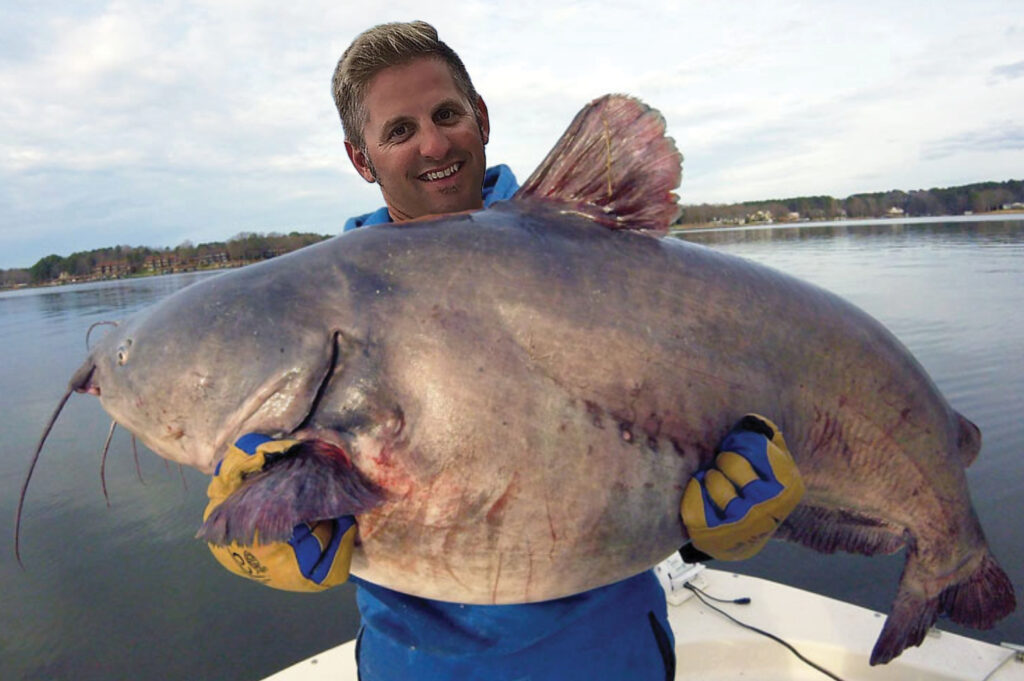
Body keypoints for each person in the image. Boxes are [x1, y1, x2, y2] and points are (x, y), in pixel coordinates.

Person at [203, 21, 804, 681]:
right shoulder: (316, 319)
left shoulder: (598, 258)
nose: (433, 143)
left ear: (481, 117)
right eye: (399, 131)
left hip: (611, 656)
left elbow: (678, 427)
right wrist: (256, 544)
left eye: (446, 114)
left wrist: (718, 524)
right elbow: (247, 478)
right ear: (361, 158)